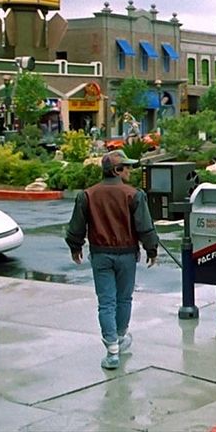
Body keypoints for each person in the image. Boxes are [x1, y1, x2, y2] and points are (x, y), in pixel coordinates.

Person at [65, 150, 159, 370]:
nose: (130, 171)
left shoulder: (87, 195)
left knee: (106, 302)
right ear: (116, 170)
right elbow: (145, 227)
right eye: (126, 167)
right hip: (126, 255)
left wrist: (75, 246)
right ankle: (120, 337)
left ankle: (112, 351)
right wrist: (151, 249)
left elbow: (76, 227)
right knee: (124, 299)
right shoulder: (134, 195)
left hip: (100, 255)